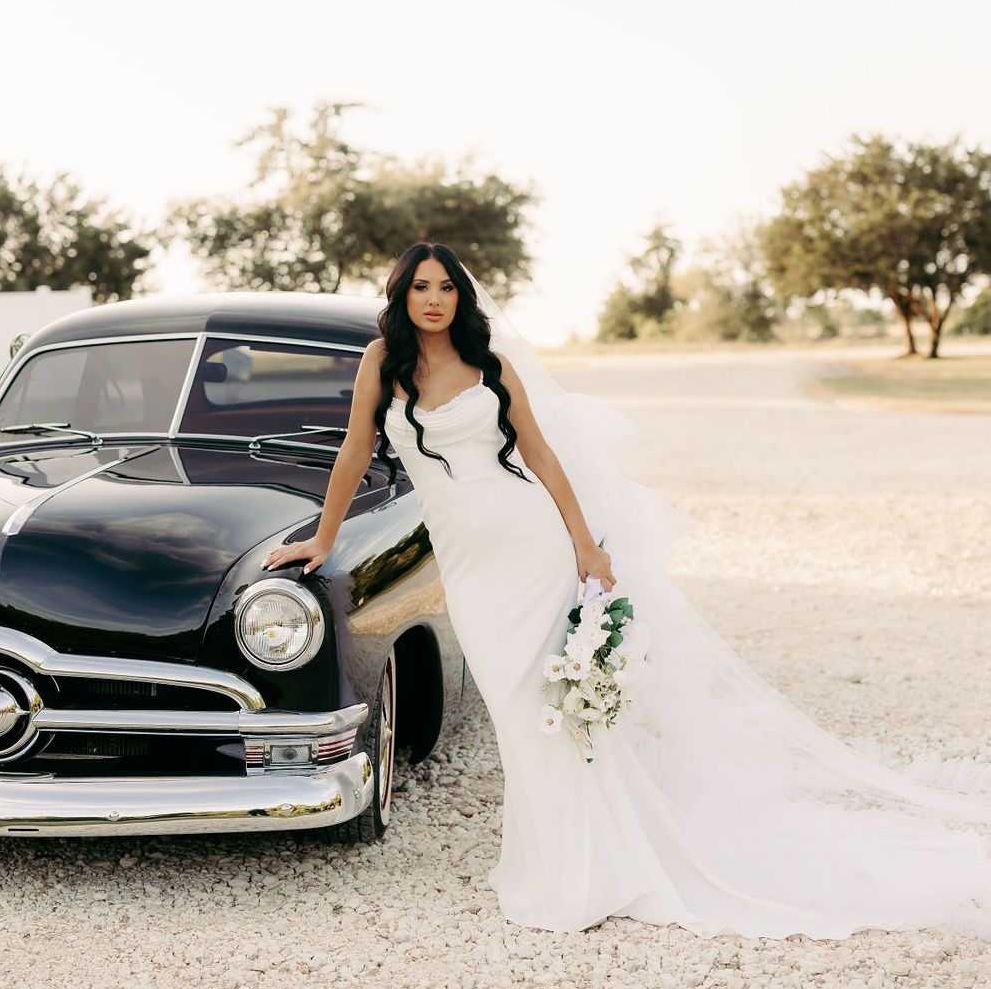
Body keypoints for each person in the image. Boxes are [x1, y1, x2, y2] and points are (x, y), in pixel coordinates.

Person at [262, 241, 991, 938]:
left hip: (529, 546)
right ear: (401, 293)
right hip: (470, 562)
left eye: (446, 287)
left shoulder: (493, 364)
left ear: (462, 297)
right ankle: (552, 858)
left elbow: (541, 455)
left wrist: (584, 544)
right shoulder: (381, 363)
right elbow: (357, 449)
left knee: (549, 707)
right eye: (421, 287)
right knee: (516, 712)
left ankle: (585, 871)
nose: (434, 299)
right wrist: (322, 540)